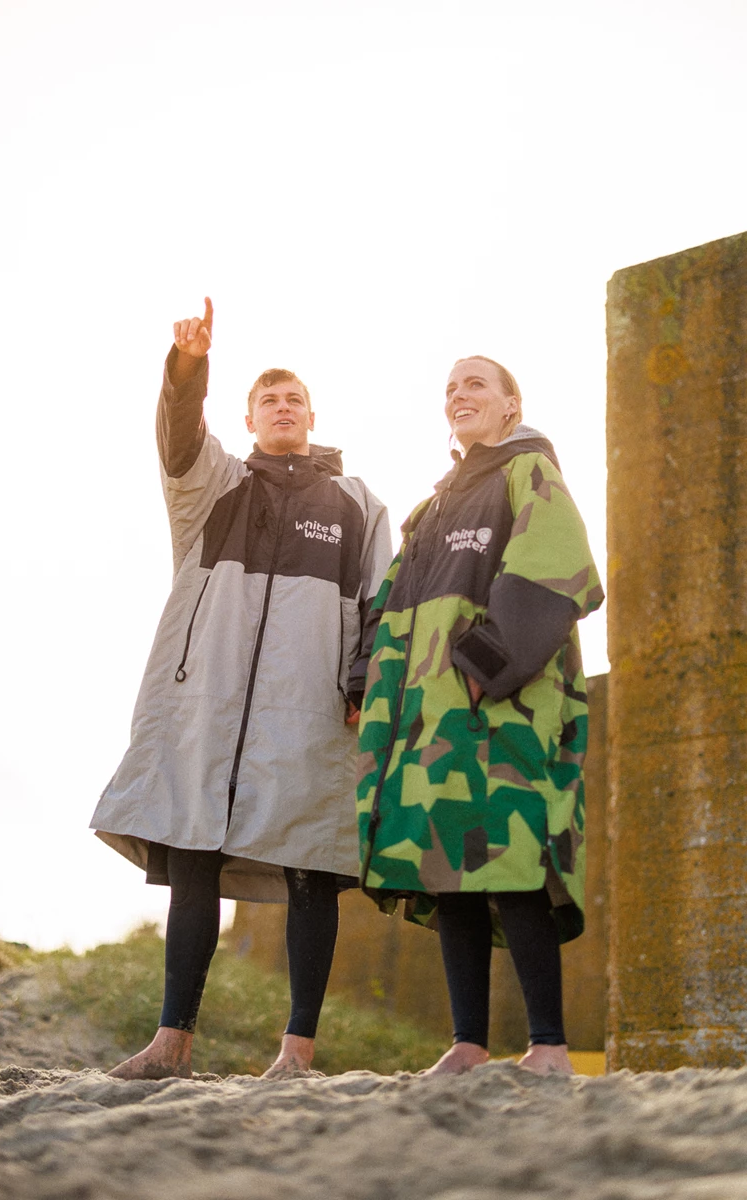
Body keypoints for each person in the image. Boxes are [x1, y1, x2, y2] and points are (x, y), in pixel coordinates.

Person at [91, 297, 391, 1080]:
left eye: (294, 400)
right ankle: (172, 1042)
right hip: (204, 708)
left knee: (310, 871)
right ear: (250, 418)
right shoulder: (213, 485)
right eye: (269, 401)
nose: (282, 409)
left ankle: (296, 1052)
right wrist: (187, 368)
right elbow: (178, 435)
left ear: (313, 416)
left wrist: (360, 682)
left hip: (312, 714)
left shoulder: (358, 502)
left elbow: (380, 600)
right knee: (191, 861)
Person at [356, 355, 603, 1076]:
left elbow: (558, 566)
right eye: (450, 388)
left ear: (509, 406)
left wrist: (486, 667)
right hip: (425, 721)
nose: (460, 395)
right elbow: (390, 606)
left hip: (503, 707)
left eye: (476, 385)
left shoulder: (529, 474)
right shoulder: (427, 512)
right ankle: (468, 1043)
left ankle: (549, 1047)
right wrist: (362, 681)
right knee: (445, 863)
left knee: (512, 862)